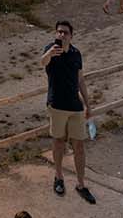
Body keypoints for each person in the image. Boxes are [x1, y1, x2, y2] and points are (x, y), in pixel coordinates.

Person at [40, 21, 96, 203]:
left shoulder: (76, 54)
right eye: (58, 32)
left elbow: (80, 80)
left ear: (71, 35)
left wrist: (88, 104)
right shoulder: (51, 50)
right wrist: (49, 54)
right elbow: (42, 62)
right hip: (57, 105)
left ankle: (81, 184)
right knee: (58, 143)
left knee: (79, 146)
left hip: (75, 107)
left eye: (65, 33)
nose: (61, 35)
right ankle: (58, 177)